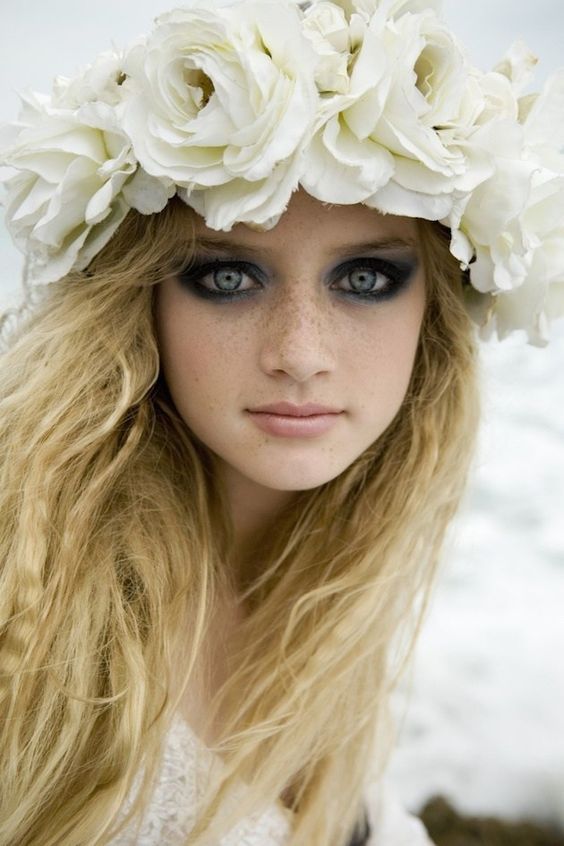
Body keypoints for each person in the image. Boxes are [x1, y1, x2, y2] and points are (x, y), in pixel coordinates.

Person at [0, 1, 562, 844]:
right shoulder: (28, 608)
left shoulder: (331, 583)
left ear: (433, 316)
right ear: (140, 301)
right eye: (229, 279)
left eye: (364, 279)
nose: (300, 354)